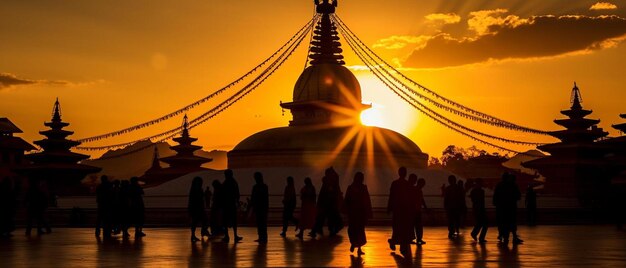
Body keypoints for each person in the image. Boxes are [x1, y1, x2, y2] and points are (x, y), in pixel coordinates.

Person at [387, 167, 414, 257]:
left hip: (398, 209)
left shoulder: (395, 183)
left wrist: (389, 207)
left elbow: (391, 196)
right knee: (402, 227)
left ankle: (395, 241)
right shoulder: (407, 184)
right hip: (403, 209)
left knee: (398, 227)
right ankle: (399, 244)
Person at [343, 172, 372, 256]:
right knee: (359, 230)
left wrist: (345, 210)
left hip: (353, 212)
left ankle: (354, 243)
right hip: (360, 213)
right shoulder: (363, 188)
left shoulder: (351, 188)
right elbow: (367, 200)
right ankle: (358, 247)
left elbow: (347, 200)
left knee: (353, 229)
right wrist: (368, 212)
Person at [493, 173, 523, 244]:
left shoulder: (499, 185)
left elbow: (495, 196)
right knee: (512, 222)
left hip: (501, 208)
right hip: (511, 207)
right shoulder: (512, 185)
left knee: (502, 222)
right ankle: (514, 237)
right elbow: (518, 196)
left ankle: (503, 236)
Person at [221, 169, 243, 243]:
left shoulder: (225, 183)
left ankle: (227, 235)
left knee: (226, 220)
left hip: (226, 204)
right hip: (232, 204)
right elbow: (237, 193)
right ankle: (235, 235)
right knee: (233, 220)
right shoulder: (234, 182)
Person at [250, 172, 269, 243]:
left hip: (258, 207)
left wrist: (252, 206)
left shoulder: (255, 187)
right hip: (263, 207)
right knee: (263, 223)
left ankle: (261, 237)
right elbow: (266, 199)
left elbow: (253, 198)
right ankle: (264, 237)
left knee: (259, 223)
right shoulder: (265, 187)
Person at [189, 177, 209, 242]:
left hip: (194, 208)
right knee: (203, 220)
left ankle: (193, 235)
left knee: (195, 222)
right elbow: (200, 200)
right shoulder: (198, 189)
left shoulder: (193, 189)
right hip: (198, 208)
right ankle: (203, 231)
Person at [470, 178, 488, 243]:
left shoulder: (473, 191)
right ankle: (480, 237)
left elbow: (473, 200)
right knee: (484, 224)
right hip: (479, 209)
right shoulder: (481, 191)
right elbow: (481, 202)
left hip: (476, 208)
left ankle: (475, 234)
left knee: (480, 223)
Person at [412, 176, 428, 245]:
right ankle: (419, 239)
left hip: (414, 210)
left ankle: (416, 238)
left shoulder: (414, 189)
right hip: (417, 210)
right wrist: (425, 207)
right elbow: (422, 200)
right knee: (418, 226)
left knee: (415, 226)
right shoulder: (418, 190)